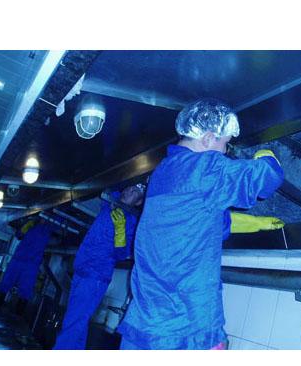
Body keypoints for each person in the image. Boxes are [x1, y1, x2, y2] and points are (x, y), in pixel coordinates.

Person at [118, 98, 284, 350]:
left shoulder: (162, 173)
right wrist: (267, 156)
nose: (225, 152)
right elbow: (268, 178)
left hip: (143, 323)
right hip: (186, 330)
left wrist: (253, 223)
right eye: (225, 144)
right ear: (207, 139)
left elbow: (194, 223)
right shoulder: (204, 167)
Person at [53, 185, 145, 350]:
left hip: (95, 276)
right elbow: (111, 187)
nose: (127, 191)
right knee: (78, 324)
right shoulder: (111, 203)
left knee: (73, 324)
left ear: (138, 202)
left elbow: (121, 254)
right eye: (129, 187)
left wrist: (120, 229)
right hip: (82, 270)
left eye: (134, 192)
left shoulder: (130, 222)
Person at [0, 217, 57, 314]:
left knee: (25, 289)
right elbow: (18, 234)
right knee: (7, 284)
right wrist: (28, 225)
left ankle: (17, 316)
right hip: (21, 260)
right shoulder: (31, 223)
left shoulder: (49, 227)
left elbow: (57, 237)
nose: (43, 220)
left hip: (30, 262)